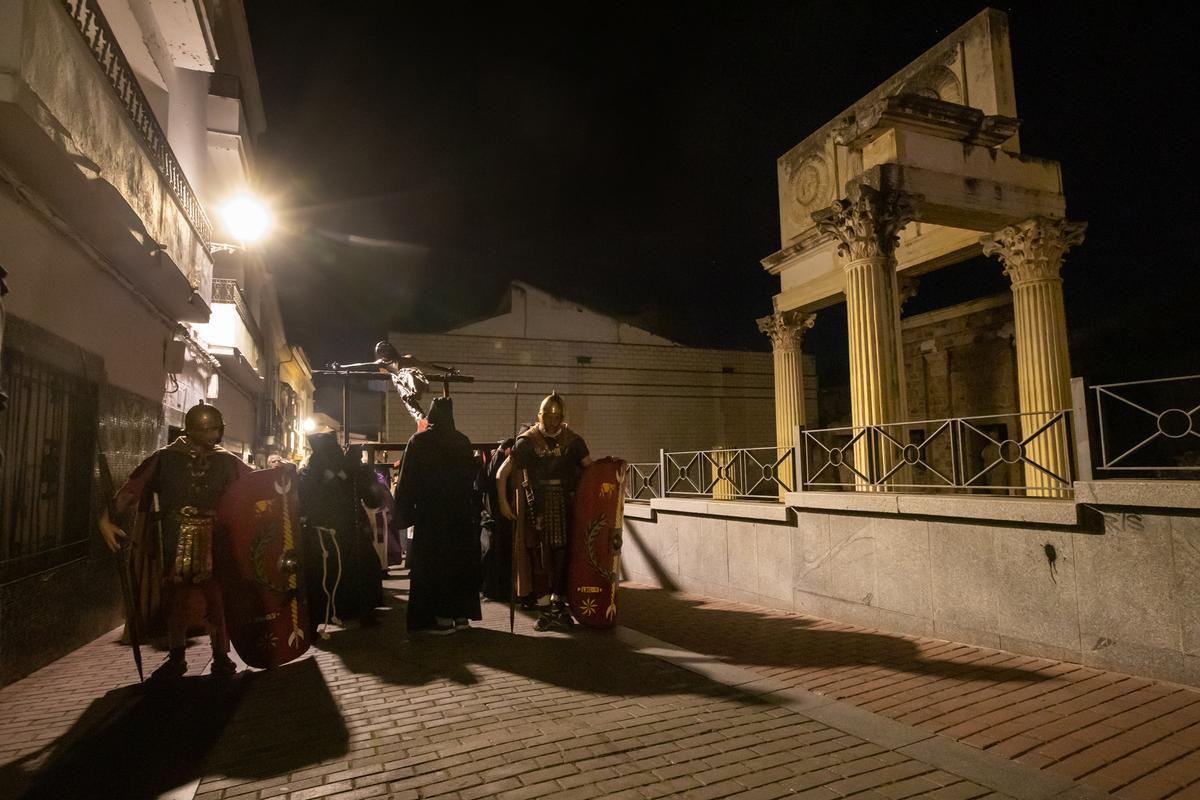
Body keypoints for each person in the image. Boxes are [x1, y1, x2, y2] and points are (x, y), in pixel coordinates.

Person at [98, 403, 252, 679]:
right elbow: (133, 489)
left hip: (215, 539)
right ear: (194, 431)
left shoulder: (227, 460)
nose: (214, 435)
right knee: (175, 600)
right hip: (175, 536)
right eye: (210, 430)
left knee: (216, 599)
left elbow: (254, 485)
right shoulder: (164, 458)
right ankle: (177, 657)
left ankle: (221, 656)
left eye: (217, 430)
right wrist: (106, 518)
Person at [497, 393, 592, 631]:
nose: (551, 422)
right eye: (547, 417)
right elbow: (502, 473)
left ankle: (559, 604)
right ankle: (543, 609)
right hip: (535, 507)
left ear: (561, 417)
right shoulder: (527, 441)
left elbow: (591, 471)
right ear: (540, 416)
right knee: (538, 560)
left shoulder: (573, 440)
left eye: (556, 417)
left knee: (562, 558)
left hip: (564, 506)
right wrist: (503, 503)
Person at [394, 396, 482, 633]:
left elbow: (407, 480)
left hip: (432, 515)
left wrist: (404, 511)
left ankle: (441, 617)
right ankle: (461, 615)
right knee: (460, 564)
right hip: (460, 516)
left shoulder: (420, 441)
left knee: (435, 565)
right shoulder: (462, 441)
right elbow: (470, 476)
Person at [298, 433, 383, 635]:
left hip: (349, 532)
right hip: (323, 534)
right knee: (324, 575)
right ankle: (323, 616)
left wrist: (360, 475)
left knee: (354, 571)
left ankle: (358, 611)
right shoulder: (310, 475)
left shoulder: (351, 472)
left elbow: (372, 499)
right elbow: (304, 502)